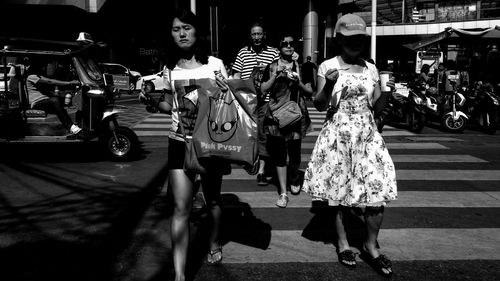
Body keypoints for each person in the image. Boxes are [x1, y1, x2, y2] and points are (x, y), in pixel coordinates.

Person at [302, 14, 397, 277]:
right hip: (337, 136)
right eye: (350, 39)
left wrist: (387, 93)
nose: (356, 44)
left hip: (367, 136)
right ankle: (343, 243)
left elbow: (377, 105)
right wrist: (330, 83)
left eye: (360, 40)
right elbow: (320, 104)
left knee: (377, 193)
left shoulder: (370, 68)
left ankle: (370, 245)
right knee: (340, 194)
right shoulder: (327, 66)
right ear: (340, 41)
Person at [141, 9, 230, 281]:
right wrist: (153, 99)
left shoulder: (215, 64)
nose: (181, 33)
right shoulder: (170, 68)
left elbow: (229, 105)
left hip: (211, 143)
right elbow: (171, 106)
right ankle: (180, 275)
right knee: (181, 208)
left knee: (213, 199)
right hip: (179, 141)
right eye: (176, 28)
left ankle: (213, 242)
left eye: (187, 27)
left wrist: (225, 90)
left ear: (197, 32)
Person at [260, 34, 313, 207]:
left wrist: (298, 82)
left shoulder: (301, 67)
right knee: (279, 154)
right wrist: (275, 76)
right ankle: (283, 192)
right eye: (285, 44)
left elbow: (309, 91)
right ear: (279, 47)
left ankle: (294, 176)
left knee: (295, 151)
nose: (289, 46)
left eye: (292, 44)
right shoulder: (272, 66)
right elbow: (262, 89)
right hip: (276, 115)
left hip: (295, 114)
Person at [232, 22, 280, 186]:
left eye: (259, 34)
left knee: (263, 134)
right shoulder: (243, 52)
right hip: (246, 100)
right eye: (254, 34)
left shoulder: (273, 52)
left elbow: (277, 74)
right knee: (248, 133)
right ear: (250, 36)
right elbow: (237, 73)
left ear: (264, 35)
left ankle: (262, 169)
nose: (257, 37)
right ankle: (250, 158)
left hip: (265, 100)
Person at [26, 59, 85, 138]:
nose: (45, 67)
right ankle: (72, 128)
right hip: (36, 103)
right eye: (44, 65)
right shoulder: (31, 76)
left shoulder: (37, 76)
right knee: (55, 100)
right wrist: (70, 82)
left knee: (61, 101)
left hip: (44, 100)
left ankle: (71, 126)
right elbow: (50, 82)